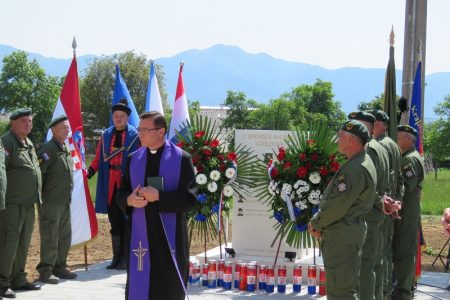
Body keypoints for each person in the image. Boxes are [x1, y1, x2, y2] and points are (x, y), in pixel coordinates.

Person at [117, 111, 196, 300]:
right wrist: (129, 200)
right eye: (139, 129)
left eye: (145, 129)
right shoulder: (132, 159)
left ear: (161, 131)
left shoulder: (182, 159)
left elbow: (190, 199)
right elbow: (121, 192)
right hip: (140, 235)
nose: (140, 134)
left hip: (170, 238)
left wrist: (159, 196)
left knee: (168, 288)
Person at [309, 120, 377, 300]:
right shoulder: (362, 161)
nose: (337, 140)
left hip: (342, 236)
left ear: (352, 140)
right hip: (347, 234)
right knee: (344, 288)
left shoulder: (354, 169)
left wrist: (317, 223)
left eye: (340, 136)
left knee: (340, 292)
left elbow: (337, 205)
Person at [87, 99, 139, 270]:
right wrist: (89, 173)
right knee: (115, 222)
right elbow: (97, 159)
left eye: (121, 116)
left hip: (128, 185)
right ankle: (116, 257)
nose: (118, 119)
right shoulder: (105, 135)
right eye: (116, 116)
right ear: (112, 117)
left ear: (127, 118)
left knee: (126, 222)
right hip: (109, 184)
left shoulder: (135, 136)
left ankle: (125, 257)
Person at [0, 108, 42, 299]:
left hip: (28, 203)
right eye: (24, 121)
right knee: (9, 243)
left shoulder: (29, 143)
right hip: (12, 204)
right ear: (13, 123)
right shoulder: (5, 142)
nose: (28, 124)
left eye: (30, 121)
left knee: (24, 243)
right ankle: (2, 283)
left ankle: (18, 278)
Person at [348, 111, 390, 300]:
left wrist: (381, 202)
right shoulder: (380, 146)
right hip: (376, 213)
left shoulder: (369, 149)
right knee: (375, 263)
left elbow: (367, 184)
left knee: (364, 266)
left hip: (367, 213)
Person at [36, 115, 77, 284]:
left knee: (64, 236)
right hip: (50, 202)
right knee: (50, 236)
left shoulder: (64, 148)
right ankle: (46, 271)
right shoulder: (48, 149)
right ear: (53, 130)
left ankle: (60, 267)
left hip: (64, 201)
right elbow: (38, 176)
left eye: (68, 128)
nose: (67, 131)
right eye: (63, 128)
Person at [372, 109, 404, 300]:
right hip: (390, 206)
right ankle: (385, 292)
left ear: (376, 125)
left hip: (379, 206)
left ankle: (381, 293)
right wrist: (396, 203)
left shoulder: (376, 145)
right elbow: (399, 178)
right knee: (385, 251)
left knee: (377, 254)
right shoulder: (394, 145)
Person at [392, 125, 424, 300]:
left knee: (404, 252)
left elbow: (404, 185)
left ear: (409, 139)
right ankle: (402, 288)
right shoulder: (405, 157)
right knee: (399, 250)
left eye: (399, 137)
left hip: (406, 212)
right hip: (404, 211)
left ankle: (403, 292)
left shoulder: (410, 159)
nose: (396, 139)